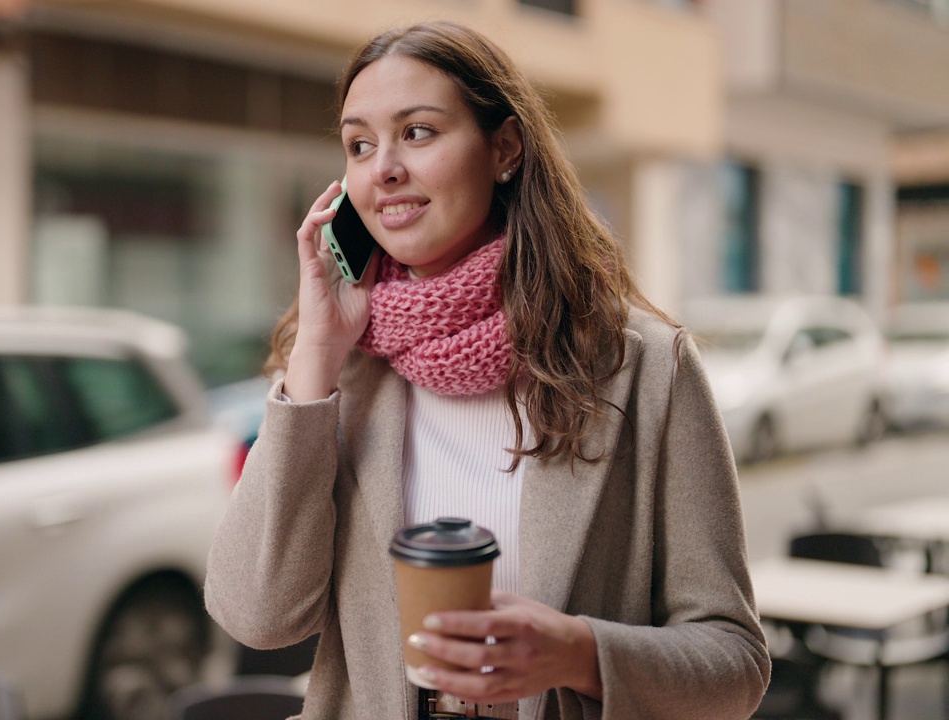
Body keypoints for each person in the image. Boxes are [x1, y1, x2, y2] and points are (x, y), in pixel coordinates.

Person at [204, 20, 770, 720]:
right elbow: (256, 617)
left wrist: (577, 652)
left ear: (503, 149)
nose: (383, 168)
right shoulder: (341, 370)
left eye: (418, 132)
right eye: (359, 143)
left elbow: (735, 663)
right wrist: (316, 355)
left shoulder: (644, 368)